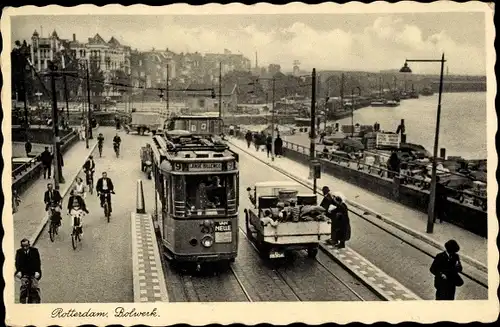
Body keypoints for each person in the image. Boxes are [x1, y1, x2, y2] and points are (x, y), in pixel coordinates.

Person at [15, 238, 42, 303]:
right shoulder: (19, 252)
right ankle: (23, 303)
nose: (25, 247)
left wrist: (37, 271)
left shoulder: (35, 251)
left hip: (33, 272)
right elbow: (17, 263)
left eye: (26, 246)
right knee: (24, 288)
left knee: (34, 287)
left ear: (29, 245)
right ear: (21, 246)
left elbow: (38, 262)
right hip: (24, 273)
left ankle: (36, 303)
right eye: (23, 246)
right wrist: (19, 271)